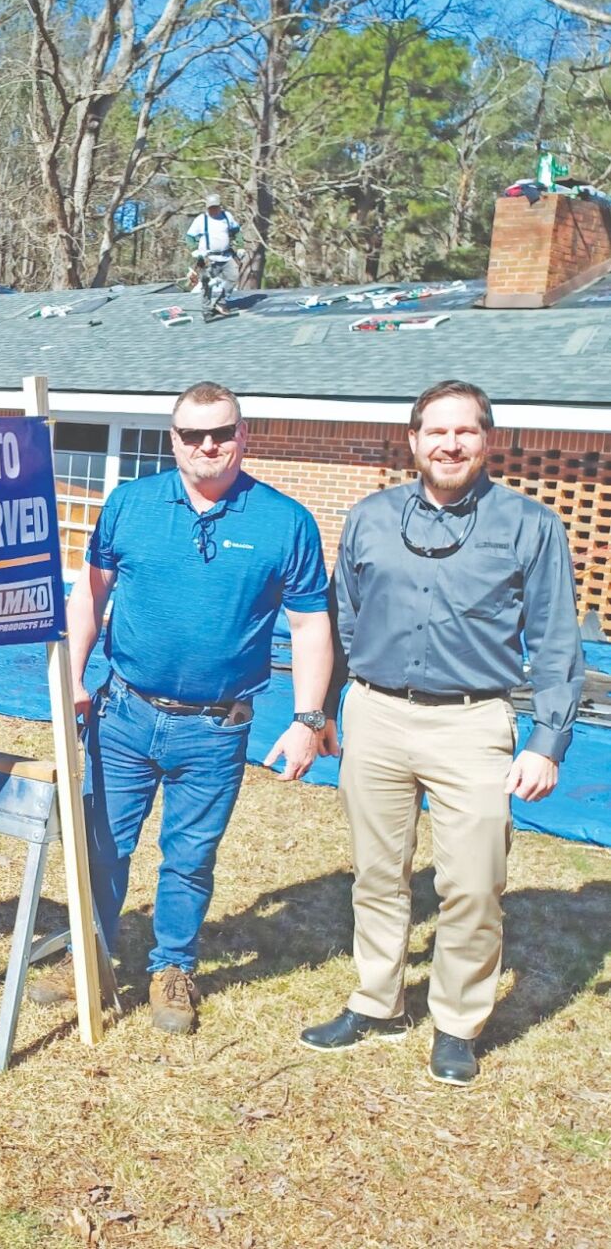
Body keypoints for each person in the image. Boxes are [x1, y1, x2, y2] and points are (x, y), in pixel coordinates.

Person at [301, 380, 583, 1087]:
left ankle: (457, 1022)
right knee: (378, 873)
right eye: (436, 432)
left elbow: (555, 643)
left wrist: (547, 742)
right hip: (376, 714)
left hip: (472, 721)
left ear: (488, 441)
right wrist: (326, 712)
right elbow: (342, 621)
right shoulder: (369, 518)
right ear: (414, 440)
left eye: (465, 432)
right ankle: (376, 998)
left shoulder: (531, 527)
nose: (449, 444)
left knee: (474, 883)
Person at [29, 382, 334, 1035]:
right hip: (125, 715)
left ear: (243, 436)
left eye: (221, 432)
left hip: (216, 728)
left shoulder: (286, 522)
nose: (207, 446)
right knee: (103, 844)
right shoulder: (131, 505)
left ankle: (173, 968)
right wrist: (72, 675)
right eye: (192, 435)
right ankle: (91, 957)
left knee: (190, 855)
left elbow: (311, 627)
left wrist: (309, 719)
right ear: (173, 440)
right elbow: (90, 596)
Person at [186, 194, 242, 320]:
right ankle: (206, 309)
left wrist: (241, 246)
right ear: (207, 208)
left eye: (215, 207)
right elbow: (189, 237)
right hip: (208, 258)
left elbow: (236, 231)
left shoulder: (227, 217)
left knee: (233, 277)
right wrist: (195, 250)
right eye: (210, 208)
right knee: (207, 283)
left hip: (226, 256)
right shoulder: (201, 219)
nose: (213, 210)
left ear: (219, 206)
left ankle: (221, 303)